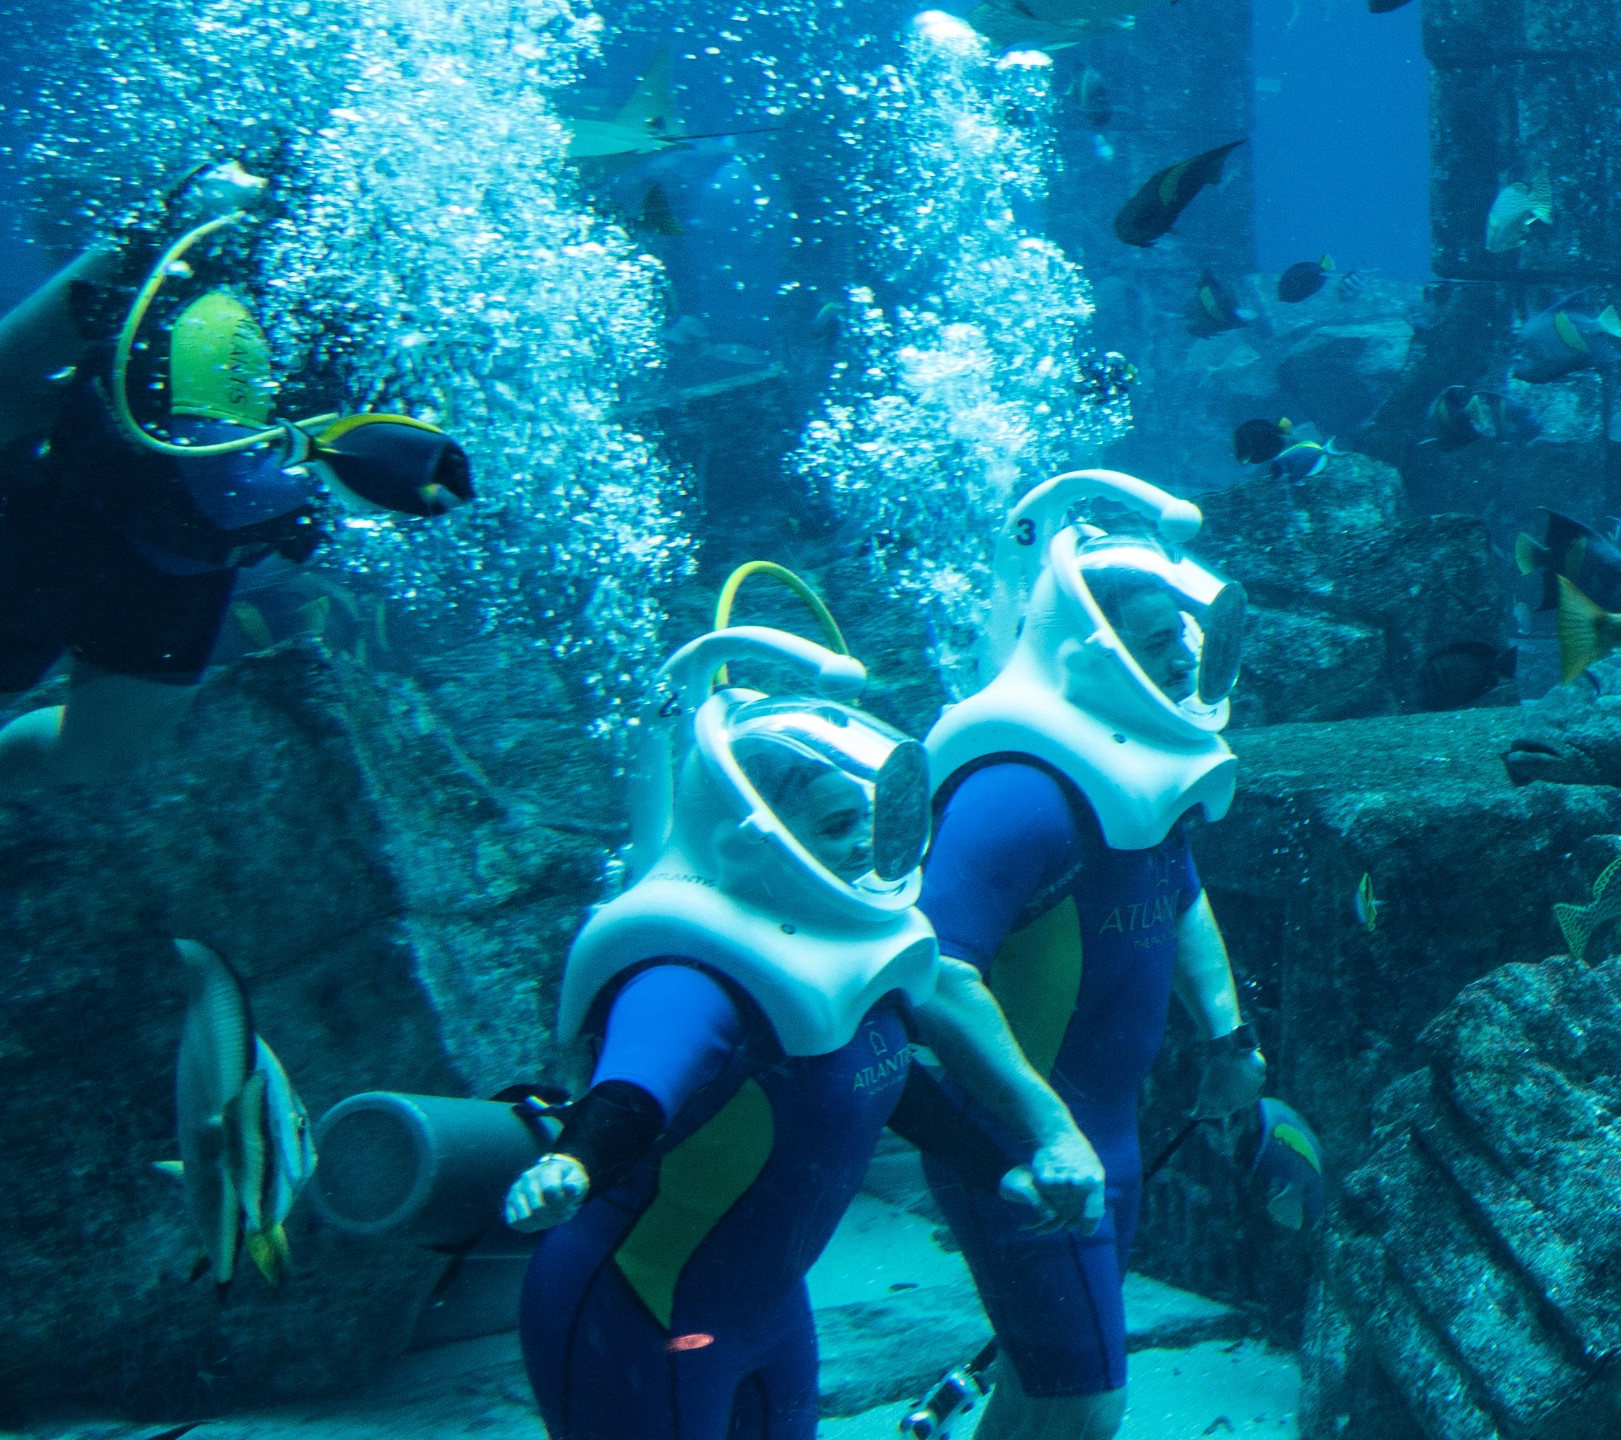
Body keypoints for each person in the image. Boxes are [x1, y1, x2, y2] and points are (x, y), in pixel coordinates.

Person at [505, 618, 1106, 1440]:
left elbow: (881, 1082)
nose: (862, 845)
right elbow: (633, 1093)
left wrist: (1000, 1172)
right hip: (637, 1313)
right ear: (750, 838)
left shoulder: (843, 946)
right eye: (832, 828)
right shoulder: (691, 973)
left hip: (765, 1312)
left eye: (867, 819)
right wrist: (571, 1163)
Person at [0, 161, 472, 802]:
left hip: (187, 562)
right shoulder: (224, 314)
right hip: (62, 522)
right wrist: (330, 469)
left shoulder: (365, 339)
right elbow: (227, 491)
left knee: (106, 747)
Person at [908, 469, 1264, 1440]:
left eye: (1184, 633)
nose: (1184, 657)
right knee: (1084, 1403)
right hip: (1025, 1146)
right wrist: (1047, 1131)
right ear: (1089, 653)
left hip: (1103, 1136)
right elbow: (936, 975)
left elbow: (1177, 890)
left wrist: (1227, 1039)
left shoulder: (1137, 767)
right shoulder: (1017, 791)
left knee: (1043, 1390)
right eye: (1155, 642)